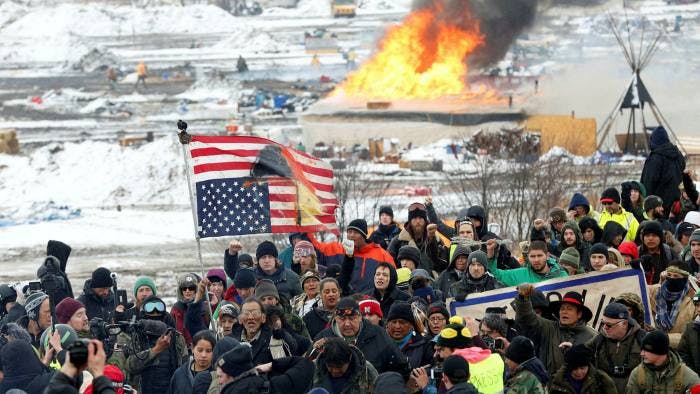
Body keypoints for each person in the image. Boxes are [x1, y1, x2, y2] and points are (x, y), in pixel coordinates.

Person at [111, 296, 188, 394]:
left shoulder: (176, 338)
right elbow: (129, 366)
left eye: (158, 310)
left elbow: (184, 369)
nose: (155, 313)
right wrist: (155, 350)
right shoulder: (133, 336)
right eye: (151, 310)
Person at [514, 284, 597, 375]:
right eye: (562, 309)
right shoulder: (549, 327)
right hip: (551, 386)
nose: (564, 312)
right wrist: (523, 299)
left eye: (569, 309)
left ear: (579, 314)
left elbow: (597, 365)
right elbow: (527, 318)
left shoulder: (592, 336)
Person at [313, 297, 409, 375]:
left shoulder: (378, 335)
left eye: (352, 318)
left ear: (360, 317)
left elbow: (401, 368)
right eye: (342, 319)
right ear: (336, 318)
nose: (347, 324)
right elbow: (310, 369)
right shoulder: (323, 338)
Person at [310, 219, 395, 293]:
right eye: (349, 232)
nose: (351, 235)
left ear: (364, 236)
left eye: (356, 232)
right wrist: (306, 230)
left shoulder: (382, 254)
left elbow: (393, 278)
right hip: (346, 301)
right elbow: (316, 248)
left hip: (371, 302)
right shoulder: (339, 249)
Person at [586, 302, 645, 394]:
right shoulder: (599, 339)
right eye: (603, 323)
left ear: (624, 324)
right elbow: (582, 352)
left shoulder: (642, 338)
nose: (605, 328)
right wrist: (571, 349)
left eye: (609, 325)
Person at [216, 342, 314, 394]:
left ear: (233, 374)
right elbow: (305, 365)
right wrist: (270, 365)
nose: (219, 382)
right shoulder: (269, 386)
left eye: (220, 376)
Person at [625, 330, 700, 393]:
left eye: (646, 350)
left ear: (659, 351)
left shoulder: (689, 377)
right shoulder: (637, 374)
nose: (641, 354)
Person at [230, 297, 297, 365]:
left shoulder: (275, 338)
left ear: (263, 318)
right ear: (240, 319)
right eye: (246, 313)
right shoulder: (231, 341)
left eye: (255, 313)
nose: (250, 317)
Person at [640, 126, 686, 215]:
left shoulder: (655, 159)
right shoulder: (677, 155)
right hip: (676, 207)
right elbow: (682, 169)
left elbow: (647, 184)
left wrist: (645, 206)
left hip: (657, 209)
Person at [649, 262, 696, 347]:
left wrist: (665, 338)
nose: (671, 278)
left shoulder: (693, 302)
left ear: (685, 279)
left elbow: (691, 336)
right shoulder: (653, 291)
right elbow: (636, 289)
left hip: (677, 352)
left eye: (676, 276)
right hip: (651, 348)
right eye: (669, 275)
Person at [387, 202, 445, 273]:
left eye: (420, 218)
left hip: (431, 281)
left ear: (425, 220)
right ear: (410, 221)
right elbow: (389, 264)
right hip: (406, 281)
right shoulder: (398, 241)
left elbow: (443, 264)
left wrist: (432, 240)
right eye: (414, 218)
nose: (418, 221)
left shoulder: (436, 238)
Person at [312, 337, 379, 394]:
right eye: (330, 366)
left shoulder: (367, 370)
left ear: (349, 358)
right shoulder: (312, 369)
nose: (335, 371)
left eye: (339, 367)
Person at [487, 240, 568, 287]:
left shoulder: (562, 276)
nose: (536, 260)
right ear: (528, 257)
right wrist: (491, 252)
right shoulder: (520, 275)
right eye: (532, 256)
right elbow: (495, 274)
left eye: (539, 255)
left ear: (547, 256)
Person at [45, 340, 114, 394]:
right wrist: (98, 373)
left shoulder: (62, 388)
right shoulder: (87, 378)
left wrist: (68, 363)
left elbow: (55, 388)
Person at [548, 344, 617, 394]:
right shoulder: (557, 381)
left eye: (582, 368)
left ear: (588, 366)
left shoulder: (601, 380)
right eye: (574, 368)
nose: (579, 372)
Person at [385, 302, 433, 369]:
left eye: (402, 322)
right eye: (393, 322)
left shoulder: (424, 344)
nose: (397, 326)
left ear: (411, 325)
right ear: (387, 324)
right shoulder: (380, 343)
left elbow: (431, 368)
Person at [168, 330, 216, 394]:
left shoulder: (218, 375)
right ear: (192, 348)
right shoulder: (180, 374)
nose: (203, 355)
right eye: (200, 350)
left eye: (208, 351)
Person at [170, 273, 200, 347]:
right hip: (182, 348)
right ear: (180, 290)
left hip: (200, 346)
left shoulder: (202, 306)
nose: (187, 291)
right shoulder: (176, 308)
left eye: (191, 288)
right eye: (184, 288)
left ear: (196, 290)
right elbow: (170, 329)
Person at [677, 293, 700, 374]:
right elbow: (682, 354)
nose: (698, 309)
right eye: (697, 305)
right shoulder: (690, 328)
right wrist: (693, 375)